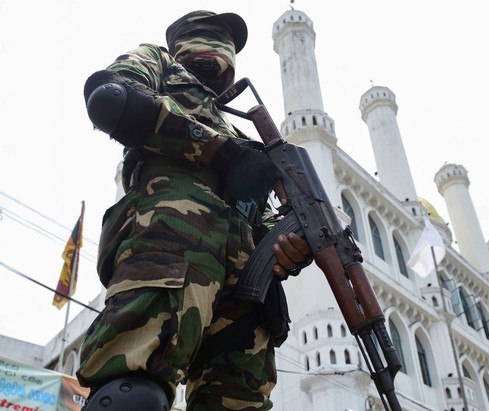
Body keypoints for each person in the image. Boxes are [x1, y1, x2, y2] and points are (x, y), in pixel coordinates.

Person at [76, 10, 312, 411]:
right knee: (133, 393)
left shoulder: (240, 131)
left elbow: (259, 218)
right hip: (171, 248)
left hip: (245, 293)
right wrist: (221, 152)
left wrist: (292, 240)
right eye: (204, 35)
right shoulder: (160, 66)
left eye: (226, 42)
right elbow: (111, 98)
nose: (216, 48)